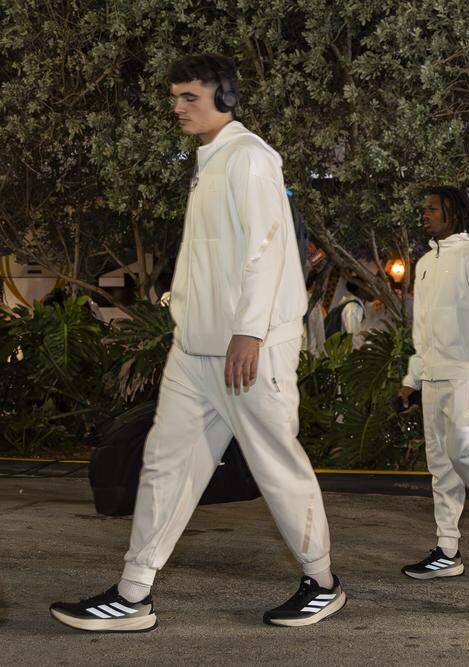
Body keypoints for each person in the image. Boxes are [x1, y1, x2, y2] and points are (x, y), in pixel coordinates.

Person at [50, 54, 344, 631]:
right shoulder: (209, 162)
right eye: (174, 97)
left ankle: (322, 581)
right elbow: (211, 258)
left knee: (276, 464)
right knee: (165, 464)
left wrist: (248, 332)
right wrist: (184, 322)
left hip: (249, 347)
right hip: (198, 348)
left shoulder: (251, 159)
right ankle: (134, 593)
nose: (177, 107)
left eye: (190, 96)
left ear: (226, 98)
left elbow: (265, 250)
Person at [397, 186, 469, 577]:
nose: (425, 214)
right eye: (425, 208)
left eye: (432, 208)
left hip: (465, 376)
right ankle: (447, 551)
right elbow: (421, 329)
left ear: (452, 212)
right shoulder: (426, 261)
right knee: (439, 465)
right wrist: (411, 379)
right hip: (432, 376)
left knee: (462, 452)